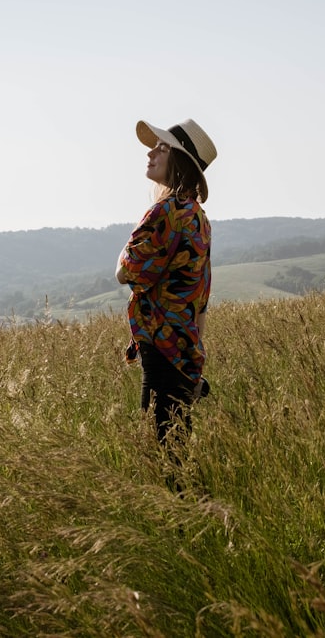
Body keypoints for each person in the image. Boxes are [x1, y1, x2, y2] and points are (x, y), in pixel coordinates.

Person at [115, 118, 217, 449]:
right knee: (175, 448)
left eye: (162, 147)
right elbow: (200, 299)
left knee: (164, 455)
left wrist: (127, 245)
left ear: (180, 158)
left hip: (161, 350)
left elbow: (125, 272)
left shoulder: (166, 212)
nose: (150, 153)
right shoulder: (198, 217)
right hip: (184, 353)